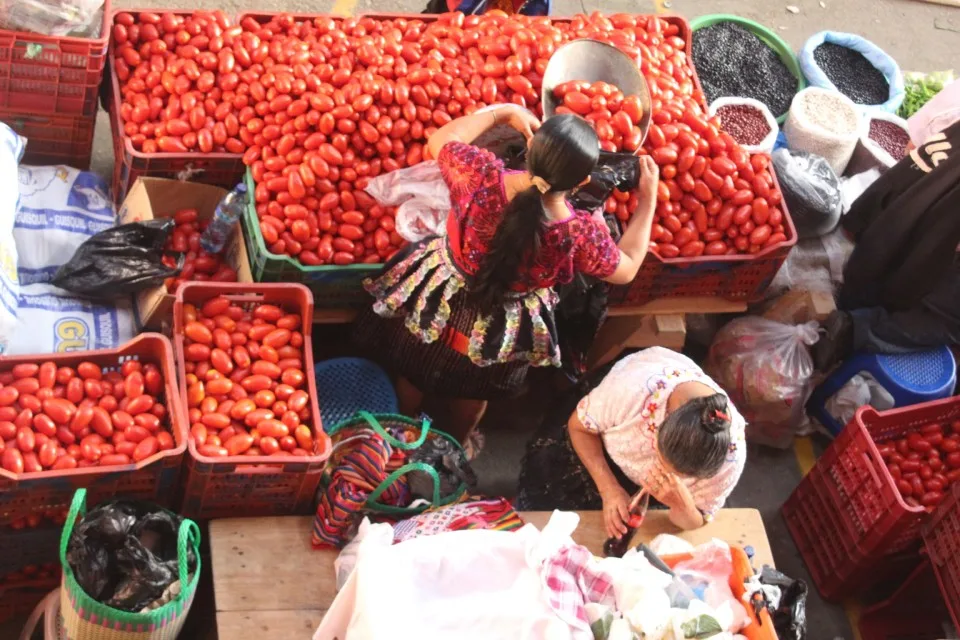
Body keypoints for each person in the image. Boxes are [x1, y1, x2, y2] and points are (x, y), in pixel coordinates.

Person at [353, 104, 659, 444]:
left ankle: (398, 435)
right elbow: (628, 265)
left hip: (440, 294)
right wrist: (647, 200)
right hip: (501, 328)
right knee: (473, 392)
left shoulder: (479, 175)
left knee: (414, 364)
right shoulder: (578, 233)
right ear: (583, 182)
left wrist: (502, 114)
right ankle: (456, 445)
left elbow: (440, 138)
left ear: (529, 150)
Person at [517, 347, 746, 535]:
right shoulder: (632, 390)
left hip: (648, 493)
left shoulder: (729, 458)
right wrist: (609, 489)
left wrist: (680, 505)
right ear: (659, 425)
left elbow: (697, 521)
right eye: (662, 458)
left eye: (680, 474)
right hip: (596, 447)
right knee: (539, 514)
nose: (661, 471)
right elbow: (579, 427)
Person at [815, 117, 960, 370]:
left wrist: (862, 215)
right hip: (914, 269)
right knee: (941, 320)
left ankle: (845, 325)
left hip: (886, 239)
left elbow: (916, 161)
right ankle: (851, 332)